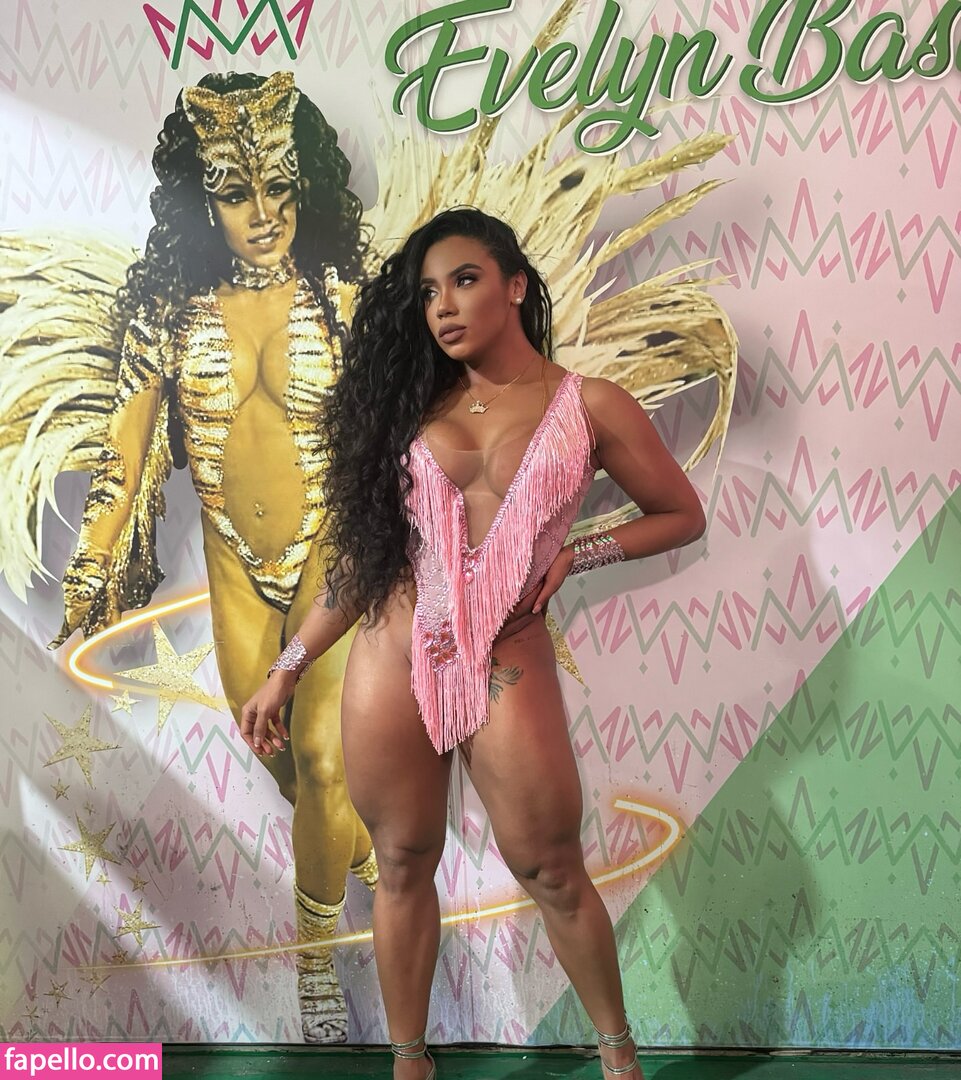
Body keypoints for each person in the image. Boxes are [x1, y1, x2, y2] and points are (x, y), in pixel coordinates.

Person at [241, 207, 707, 1078]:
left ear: (515, 285)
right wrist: (288, 667)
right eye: (428, 292)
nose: (444, 306)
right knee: (401, 859)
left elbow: (680, 514)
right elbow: (361, 563)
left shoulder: (589, 404)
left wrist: (578, 552)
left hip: (506, 650)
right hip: (390, 649)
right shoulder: (408, 407)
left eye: (464, 280)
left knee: (550, 865)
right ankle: (409, 1064)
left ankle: (618, 1059)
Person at [50, 71, 376, 1042]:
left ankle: (314, 972)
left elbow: (400, 441)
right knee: (297, 775)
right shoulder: (165, 314)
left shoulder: (344, 298)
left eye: (279, 186)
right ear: (202, 203)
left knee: (322, 754)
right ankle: (366, 850)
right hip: (238, 575)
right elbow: (123, 458)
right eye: (236, 193)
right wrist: (90, 568)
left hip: (333, 560)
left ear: (306, 182)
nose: (264, 214)